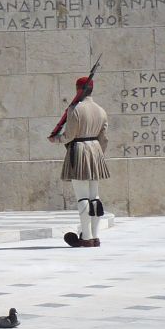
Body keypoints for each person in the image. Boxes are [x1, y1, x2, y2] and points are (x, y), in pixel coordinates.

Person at [48, 75, 110, 247]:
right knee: (94, 197)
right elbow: (104, 139)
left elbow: (70, 136)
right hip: (96, 150)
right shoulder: (101, 110)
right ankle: (95, 237)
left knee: (82, 197)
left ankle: (86, 237)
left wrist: (56, 139)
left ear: (78, 90)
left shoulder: (75, 109)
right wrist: (98, 154)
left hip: (79, 150)